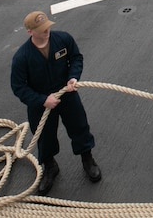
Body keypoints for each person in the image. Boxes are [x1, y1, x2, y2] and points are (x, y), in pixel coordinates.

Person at [10, 11, 102, 195]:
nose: (47, 31)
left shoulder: (63, 40)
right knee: (44, 137)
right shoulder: (22, 57)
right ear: (30, 32)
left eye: (47, 27)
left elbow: (76, 58)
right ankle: (50, 166)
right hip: (41, 105)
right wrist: (42, 100)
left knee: (79, 127)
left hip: (67, 95)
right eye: (42, 29)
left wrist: (73, 77)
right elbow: (18, 87)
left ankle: (87, 159)